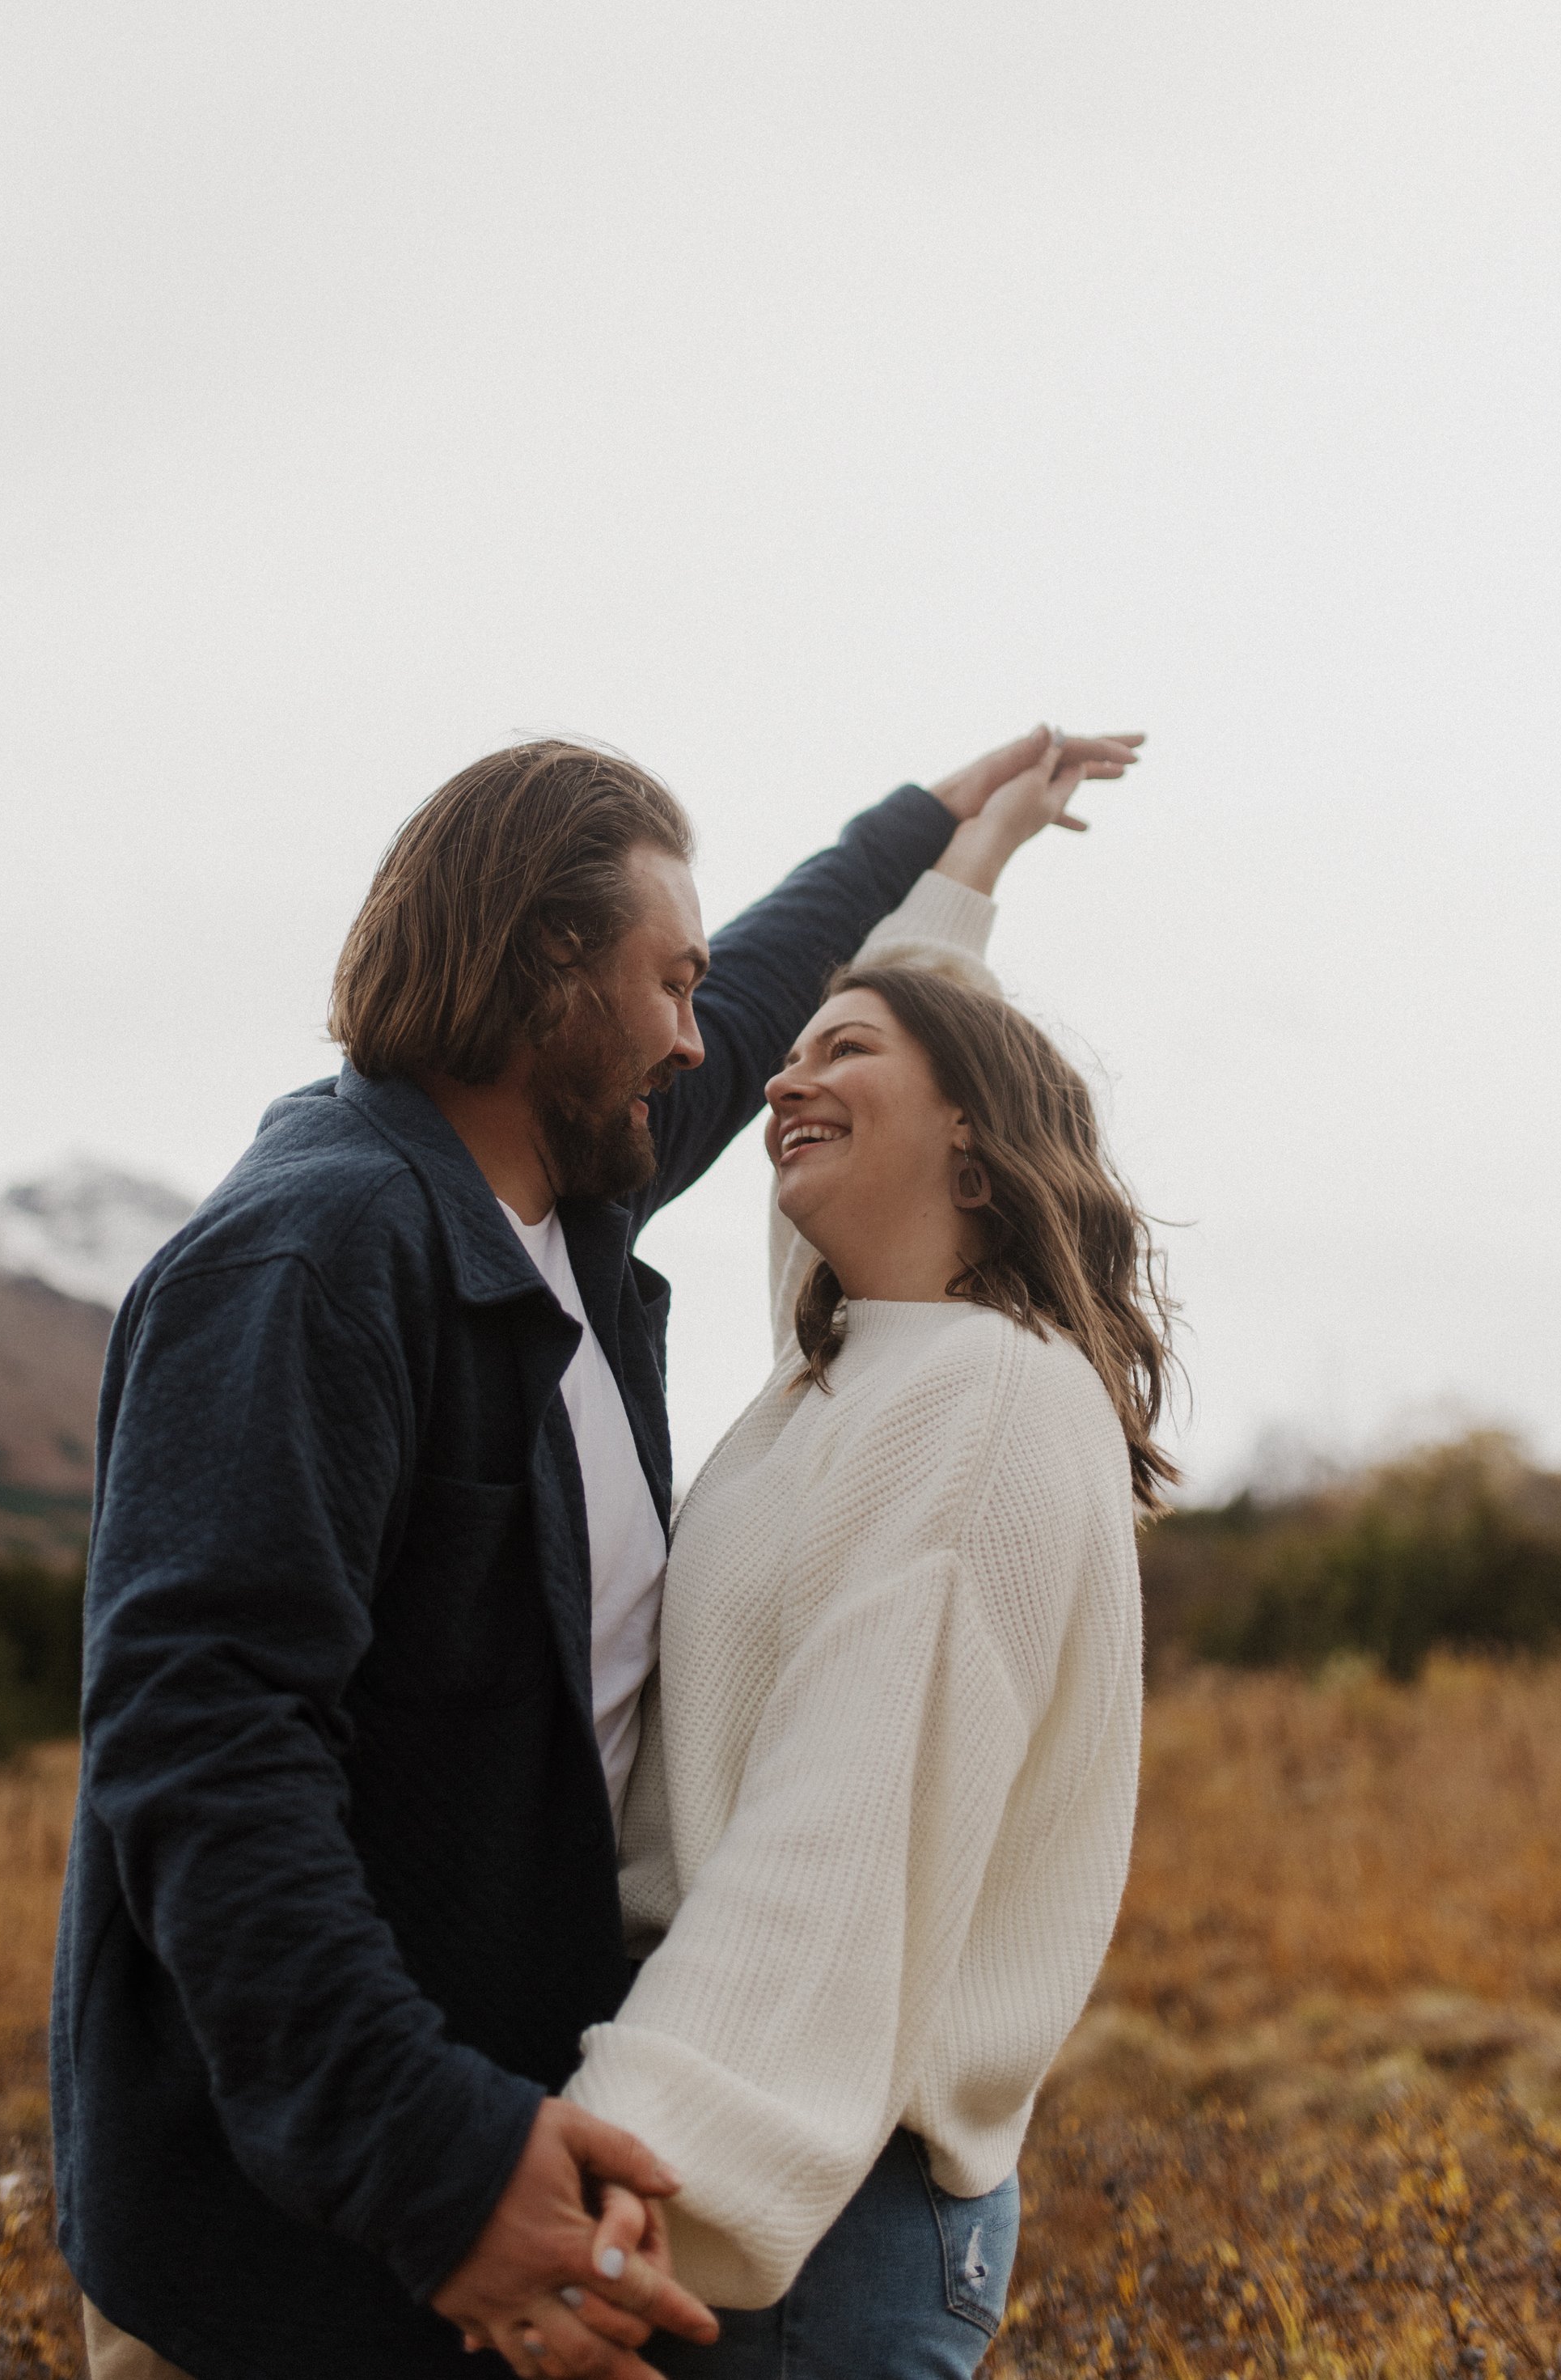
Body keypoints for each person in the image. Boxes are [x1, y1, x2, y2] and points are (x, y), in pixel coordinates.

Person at [49, 724, 1141, 2380]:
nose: (709, 1044)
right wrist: (438, 2160)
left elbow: (780, 981)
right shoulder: (316, 1248)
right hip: (284, 2256)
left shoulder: (559, 1219)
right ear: (542, 972)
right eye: (666, 986)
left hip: (493, 2201)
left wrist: (931, 829)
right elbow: (203, 1749)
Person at [521, 745, 1174, 2380]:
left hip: (806, 2210)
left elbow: (841, 1829)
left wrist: (609, 2183)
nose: (774, 1081)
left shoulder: (978, 1404)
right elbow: (888, 1075)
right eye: (784, 1055)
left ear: (973, 1138)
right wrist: (959, 868)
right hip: (780, 2167)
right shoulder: (856, 1375)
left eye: (842, 1052)